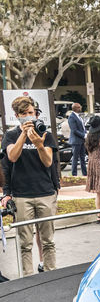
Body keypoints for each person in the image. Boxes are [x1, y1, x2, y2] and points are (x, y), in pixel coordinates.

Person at [1, 96, 58, 275]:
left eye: (31, 113)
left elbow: (49, 162)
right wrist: (24, 135)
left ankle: (51, 272)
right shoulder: (11, 135)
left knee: (48, 239)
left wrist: (39, 145)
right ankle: (28, 276)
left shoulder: (44, 132)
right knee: (25, 241)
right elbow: (12, 157)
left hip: (45, 192)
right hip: (21, 195)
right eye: (25, 114)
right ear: (17, 116)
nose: (29, 117)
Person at [67, 102, 87, 176]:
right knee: (75, 158)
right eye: (79, 107)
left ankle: (85, 174)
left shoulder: (79, 116)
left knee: (83, 158)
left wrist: (85, 133)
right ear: (75, 108)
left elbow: (82, 127)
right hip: (76, 141)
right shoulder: (71, 117)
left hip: (81, 140)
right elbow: (74, 130)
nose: (80, 108)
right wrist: (84, 135)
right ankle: (74, 175)